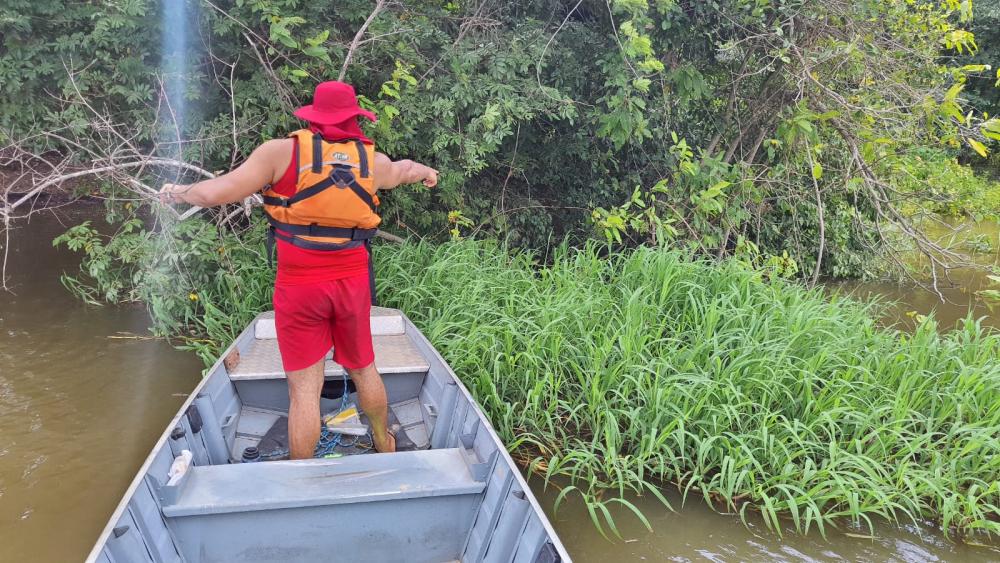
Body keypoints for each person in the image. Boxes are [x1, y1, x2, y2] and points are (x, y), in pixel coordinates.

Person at [160, 81, 438, 457]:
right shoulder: (373, 162)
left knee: (304, 389)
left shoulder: (280, 152)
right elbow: (405, 170)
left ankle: (301, 472)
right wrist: (427, 171)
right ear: (355, 118)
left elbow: (212, 193)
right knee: (364, 368)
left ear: (314, 117)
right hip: (352, 281)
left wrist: (177, 192)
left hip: (300, 285)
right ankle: (383, 443)